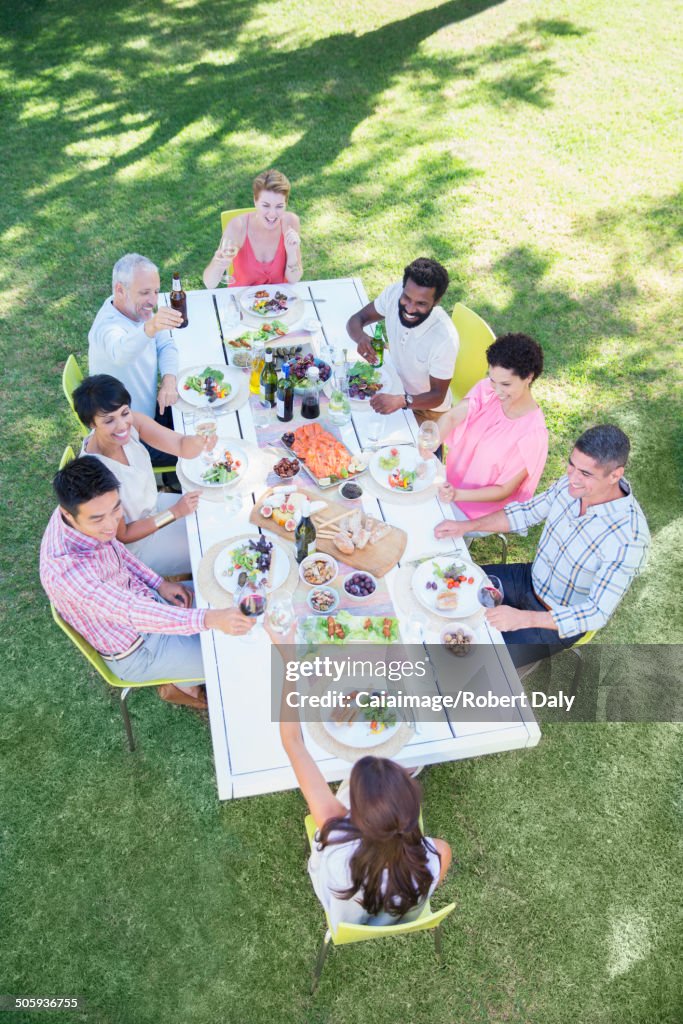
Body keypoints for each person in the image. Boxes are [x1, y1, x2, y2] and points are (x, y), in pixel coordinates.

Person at [40, 457, 253, 710]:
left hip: (148, 599)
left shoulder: (81, 512)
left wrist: (159, 584)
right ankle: (178, 687)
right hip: (140, 649)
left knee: (231, 597)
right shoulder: (67, 573)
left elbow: (116, 548)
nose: (111, 526)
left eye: (116, 509)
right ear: (67, 513)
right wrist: (209, 618)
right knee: (234, 658)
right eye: (98, 519)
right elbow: (132, 612)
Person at [272, 633, 451, 930]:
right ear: (408, 814)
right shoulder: (436, 855)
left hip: (342, 910)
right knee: (412, 762)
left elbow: (292, 741)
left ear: (356, 813)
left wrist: (288, 661)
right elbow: (439, 856)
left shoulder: (335, 834)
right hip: (398, 913)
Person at [434, 425, 650, 666]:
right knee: (447, 586)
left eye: (586, 474)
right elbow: (525, 513)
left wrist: (522, 619)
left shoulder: (628, 539)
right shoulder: (573, 483)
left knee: (474, 662)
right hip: (528, 578)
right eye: (572, 465)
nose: (572, 477)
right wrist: (466, 526)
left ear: (615, 475)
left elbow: (595, 613)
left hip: (554, 620)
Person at [73, 374, 212, 577]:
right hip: (139, 546)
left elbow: (182, 446)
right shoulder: (96, 476)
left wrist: (200, 441)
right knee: (209, 548)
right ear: (91, 424)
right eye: (109, 420)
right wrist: (175, 512)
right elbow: (124, 535)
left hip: (155, 506)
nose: (122, 425)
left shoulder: (133, 423)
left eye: (124, 412)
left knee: (214, 514)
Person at [437, 333, 548, 520]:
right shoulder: (486, 389)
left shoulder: (532, 435)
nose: (497, 391)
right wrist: (428, 444)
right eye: (493, 380)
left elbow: (503, 490)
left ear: (528, 377)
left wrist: (457, 495)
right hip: (448, 484)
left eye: (505, 384)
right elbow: (452, 417)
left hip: (479, 510)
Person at [88, 253, 182, 468]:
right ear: (120, 290)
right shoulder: (107, 328)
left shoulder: (138, 309)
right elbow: (121, 353)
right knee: (201, 451)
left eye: (156, 291)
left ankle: (172, 480)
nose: (153, 301)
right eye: (145, 293)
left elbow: (166, 344)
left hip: (151, 413)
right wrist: (150, 327)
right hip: (129, 438)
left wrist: (168, 380)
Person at [345, 257, 459, 424]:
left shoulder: (444, 339)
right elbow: (357, 319)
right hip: (392, 385)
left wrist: (402, 401)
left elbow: (437, 396)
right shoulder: (394, 293)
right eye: (406, 298)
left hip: (426, 410)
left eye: (421, 303)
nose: (410, 309)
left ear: (436, 301)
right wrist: (361, 338)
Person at [203, 169, 302, 289]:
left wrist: (292, 253)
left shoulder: (290, 222)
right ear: (255, 201)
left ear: (286, 204)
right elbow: (209, 284)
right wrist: (218, 264)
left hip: (278, 301)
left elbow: (294, 279)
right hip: (240, 301)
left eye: (279, 206)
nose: (272, 214)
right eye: (266, 205)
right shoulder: (238, 226)